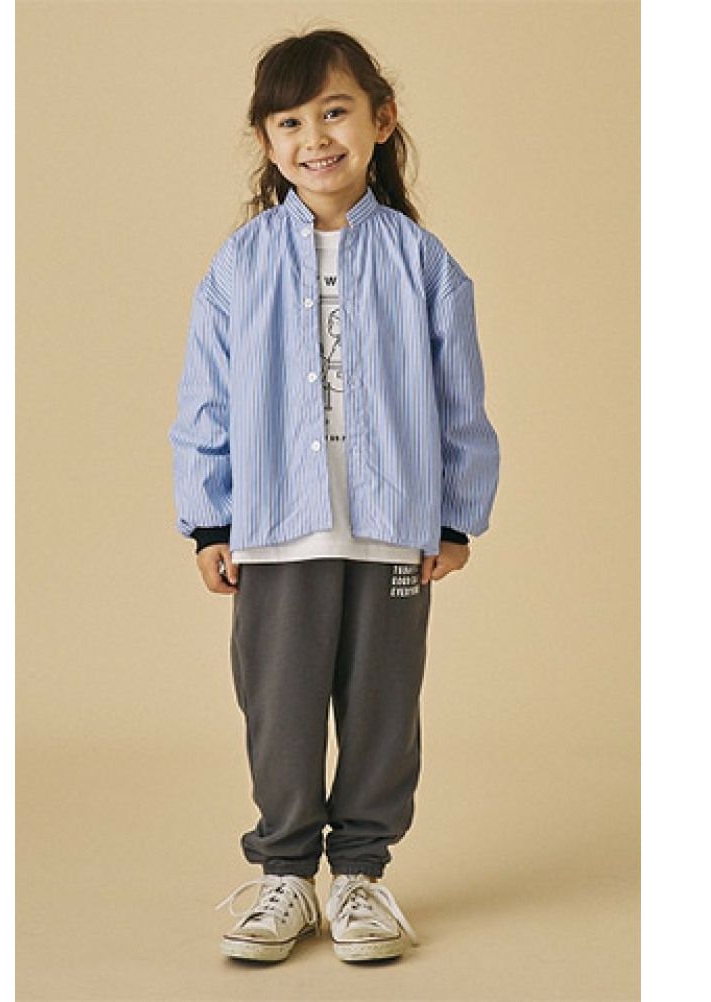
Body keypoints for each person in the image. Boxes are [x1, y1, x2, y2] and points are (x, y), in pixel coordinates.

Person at [168, 27, 501, 964]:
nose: (315, 137)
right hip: (275, 528)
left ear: (381, 121)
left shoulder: (424, 263)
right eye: (290, 121)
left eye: (335, 112)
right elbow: (205, 397)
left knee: (383, 706)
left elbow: (461, 399)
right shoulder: (239, 265)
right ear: (267, 142)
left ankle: (360, 877)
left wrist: (456, 515)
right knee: (277, 706)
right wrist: (209, 517)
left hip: (393, 528)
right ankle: (285, 876)